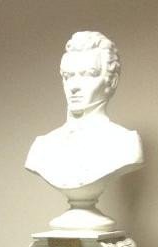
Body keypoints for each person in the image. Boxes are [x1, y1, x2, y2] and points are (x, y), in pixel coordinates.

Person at [25, 31, 142, 198]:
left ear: (112, 81)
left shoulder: (126, 143)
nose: (74, 86)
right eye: (68, 76)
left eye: (88, 75)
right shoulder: (42, 146)